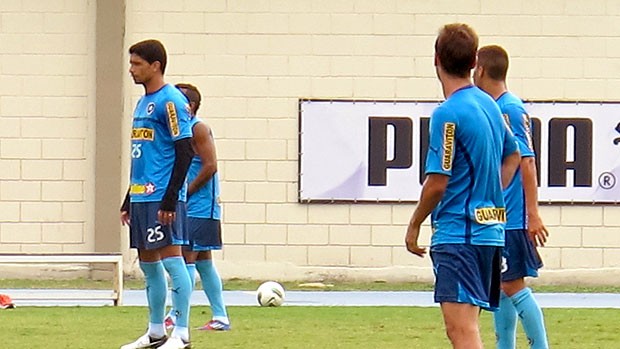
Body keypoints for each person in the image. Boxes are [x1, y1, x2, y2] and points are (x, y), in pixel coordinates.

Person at [405, 23, 521, 349]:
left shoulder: (448, 114)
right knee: (467, 327)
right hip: (489, 232)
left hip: (461, 234)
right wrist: (489, 193)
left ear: (436, 59)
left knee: (462, 331)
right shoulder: (490, 105)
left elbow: (437, 183)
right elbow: (512, 156)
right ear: (474, 63)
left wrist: (414, 225)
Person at [474, 45, 550, 349]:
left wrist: (532, 213)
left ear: (480, 70)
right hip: (498, 215)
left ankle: (540, 345)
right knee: (501, 287)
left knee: (512, 285)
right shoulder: (494, 108)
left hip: (513, 216)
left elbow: (527, 160)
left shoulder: (510, 108)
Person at [119, 39, 193, 349]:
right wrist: (128, 198)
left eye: (137, 64)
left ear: (155, 66)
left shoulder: (171, 100)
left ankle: (182, 331)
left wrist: (169, 198)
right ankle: (155, 331)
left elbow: (184, 151)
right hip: (141, 196)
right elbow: (145, 154)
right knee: (148, 266)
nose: (131, 69)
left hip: (163, 196)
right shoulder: (142, 102)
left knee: (173, 262)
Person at [163, 83, 231, 331]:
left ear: (189, 106)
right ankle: (220, 317)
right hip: (193, 205)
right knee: (203, 261)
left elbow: (210, 165)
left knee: (185, 259)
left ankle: (176, 314)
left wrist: (185, 193)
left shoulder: (197, 128)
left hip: (199, 206)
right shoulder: (179, 130)